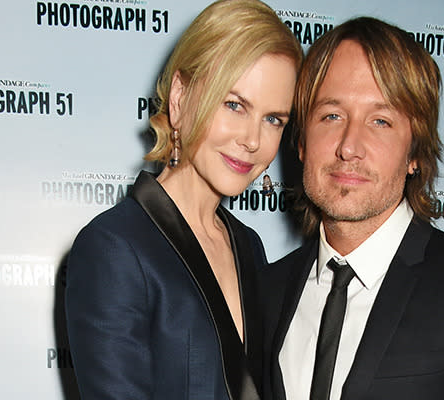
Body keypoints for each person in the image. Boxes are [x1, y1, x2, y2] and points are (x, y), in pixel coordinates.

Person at [262, 17, 444, 400]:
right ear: (301, 141)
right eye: (331, 115)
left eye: (380, 121)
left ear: (415, 152)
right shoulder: (265, 291)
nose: (349, 147)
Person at [65, 1, 302, 399]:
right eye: (234, 105)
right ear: (179, 98)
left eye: (273, 119)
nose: (253, 140)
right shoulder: (114, 248)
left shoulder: (249, 246)